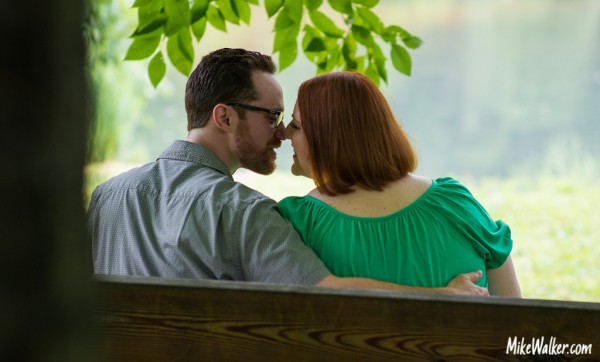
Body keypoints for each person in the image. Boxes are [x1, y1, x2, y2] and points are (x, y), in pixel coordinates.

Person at [88, 48, 487, 295]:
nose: (280, 133)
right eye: (272, 116)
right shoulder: (244, 212)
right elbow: (328, 291)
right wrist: (440, 294)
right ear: (224, 117)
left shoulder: (105, 196)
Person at [279, 71, 521, 297]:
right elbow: (517, 315)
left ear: (330, 140)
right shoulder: (455, 203)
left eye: (296, 125)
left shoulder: (298, 223)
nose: (285, 133)